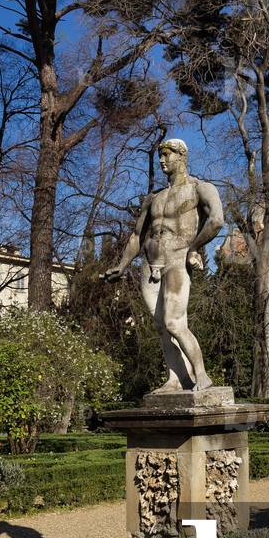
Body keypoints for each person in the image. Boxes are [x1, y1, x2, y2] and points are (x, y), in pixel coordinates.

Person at [102, 138, 224, 393]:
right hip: (150, 264)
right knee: (160, 327)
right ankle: (176, 379)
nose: (162, 160)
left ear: (182, 156)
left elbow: (216, 220)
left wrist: (194, 247)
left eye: (167, 155)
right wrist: (123, 265)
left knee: (174, 323)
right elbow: (137, 235)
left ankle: (202, 375)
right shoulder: (153, 199)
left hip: (178, 259)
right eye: (160, 156)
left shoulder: (200, 189)